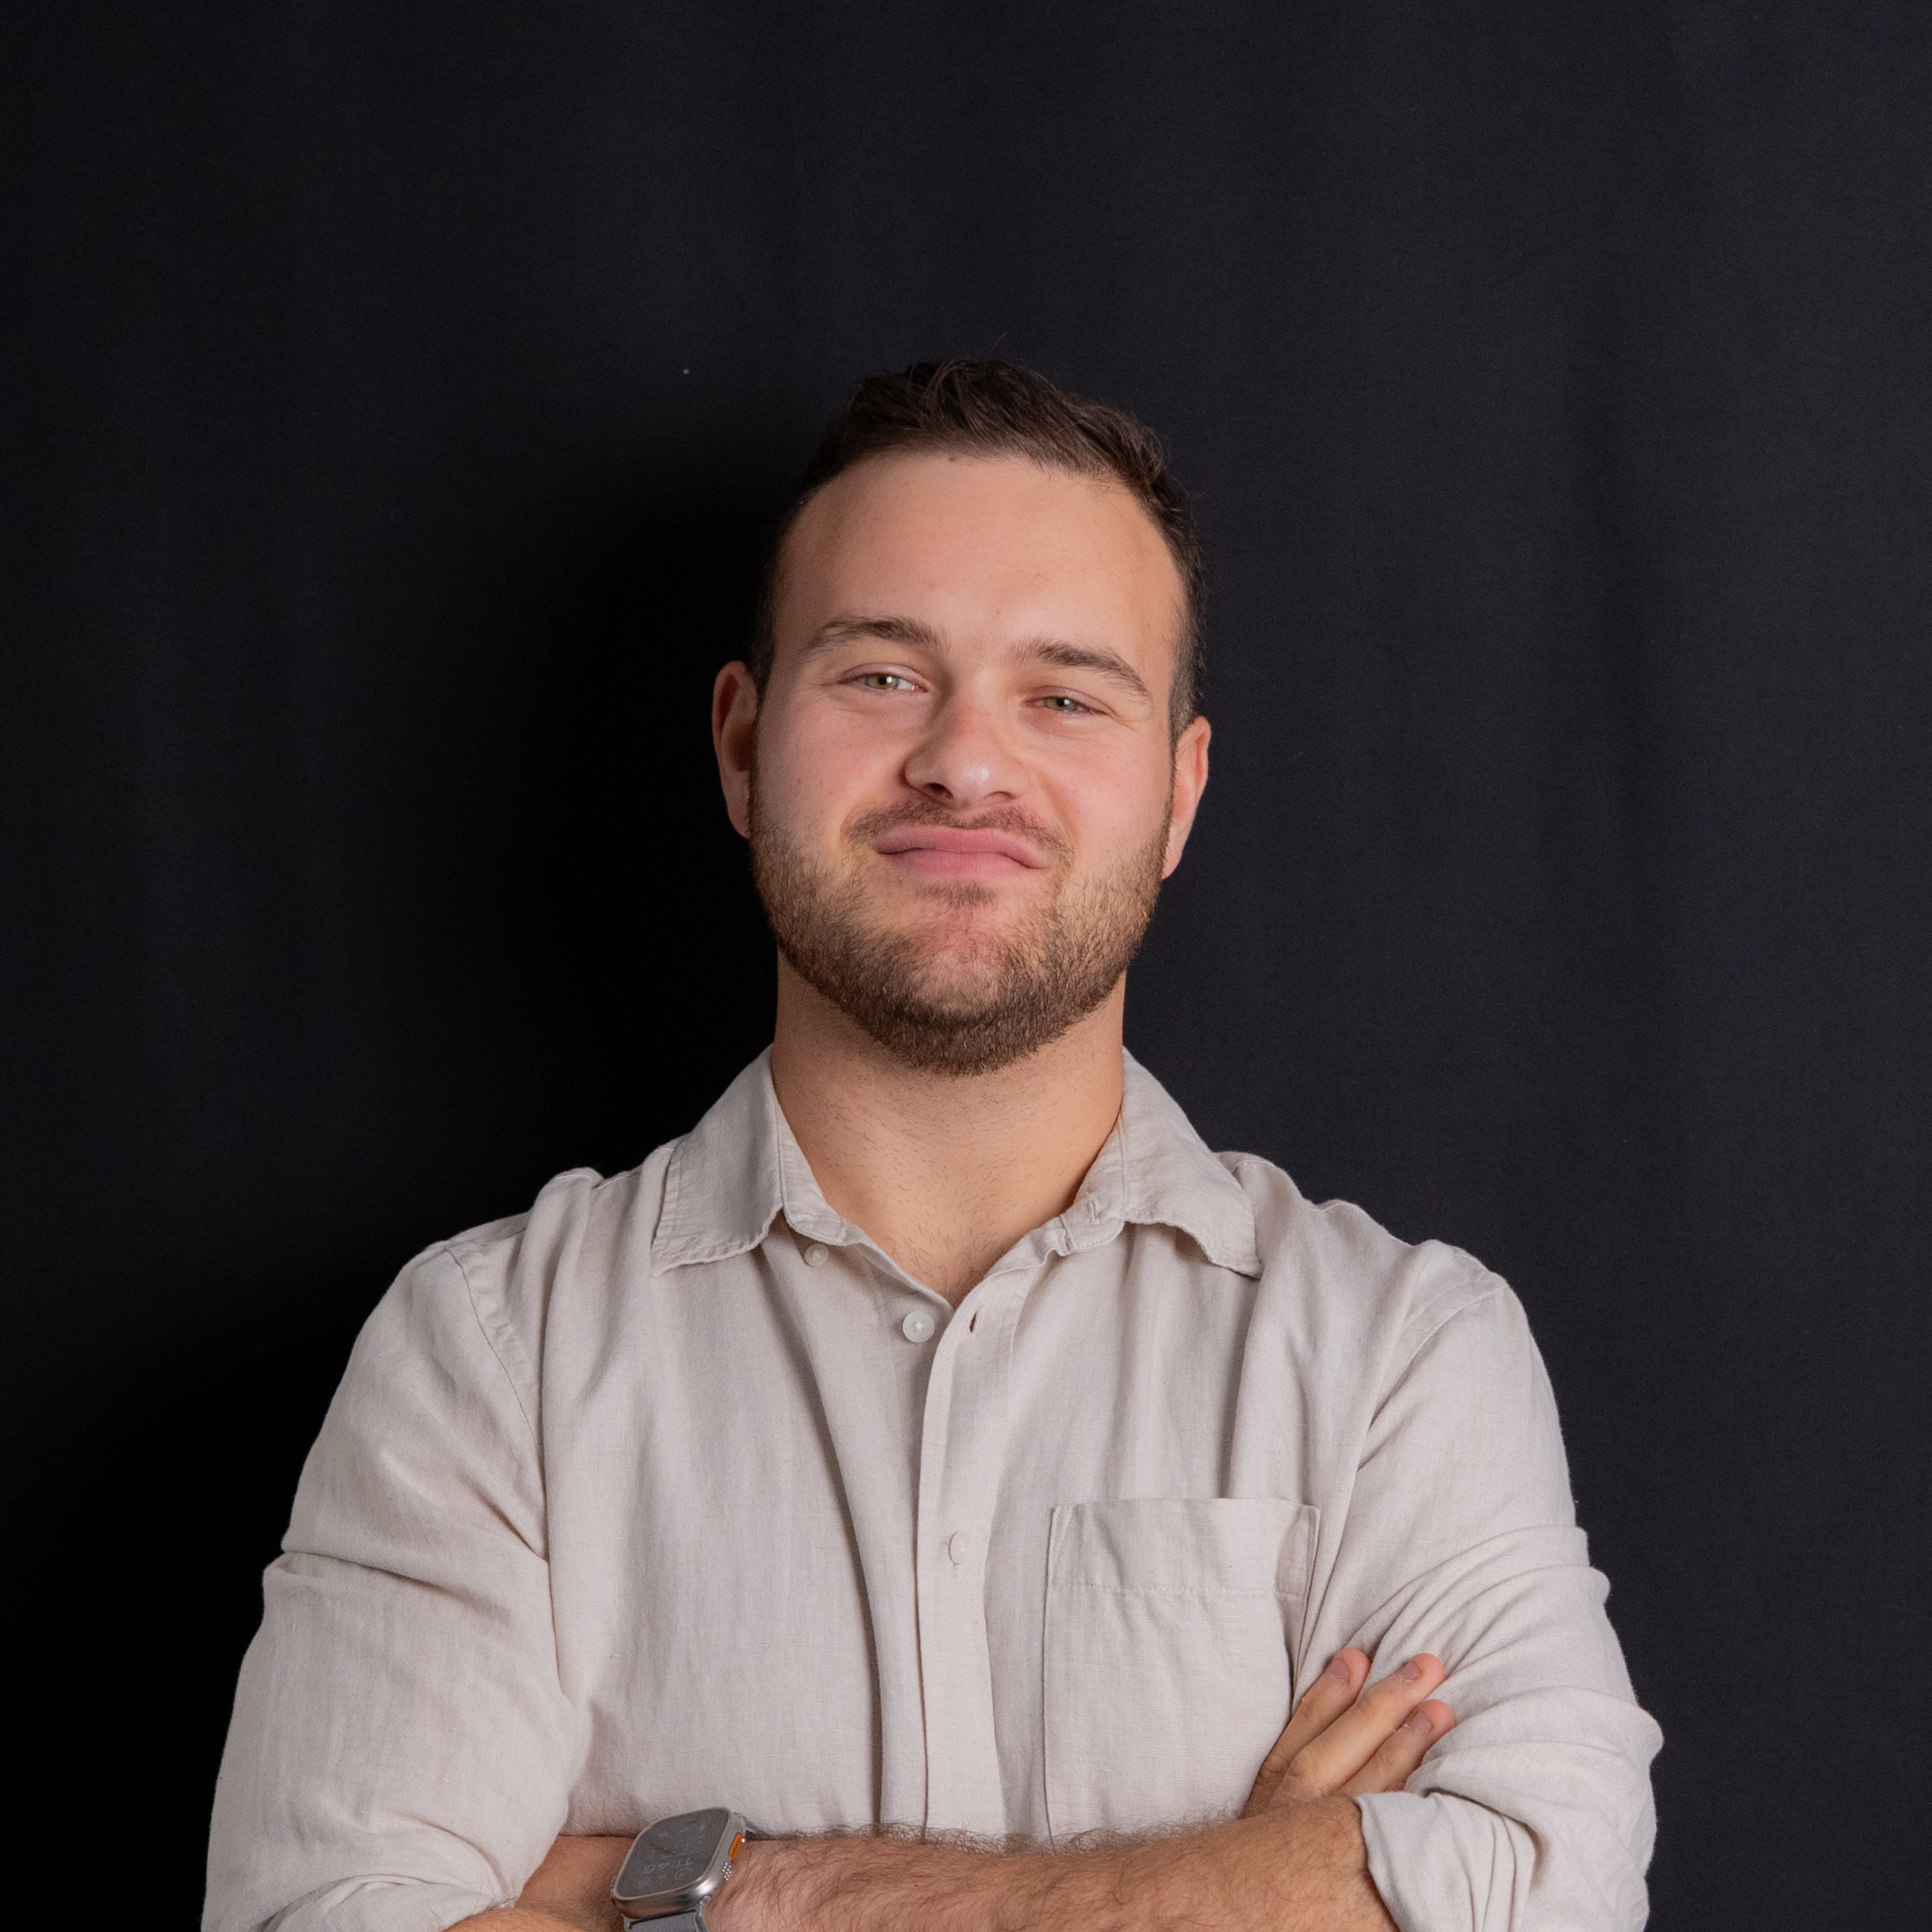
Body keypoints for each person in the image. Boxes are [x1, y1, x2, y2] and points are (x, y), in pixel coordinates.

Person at [207, 360, 1660, 1932]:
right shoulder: (486, 1354)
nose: (965, 762)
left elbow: (1541, 1879)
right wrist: (1239, 1877)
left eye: (1064, 692)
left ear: (1175, 794)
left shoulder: (1396, 1353)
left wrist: (701, 1893)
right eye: (883, 675)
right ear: (742, 743)